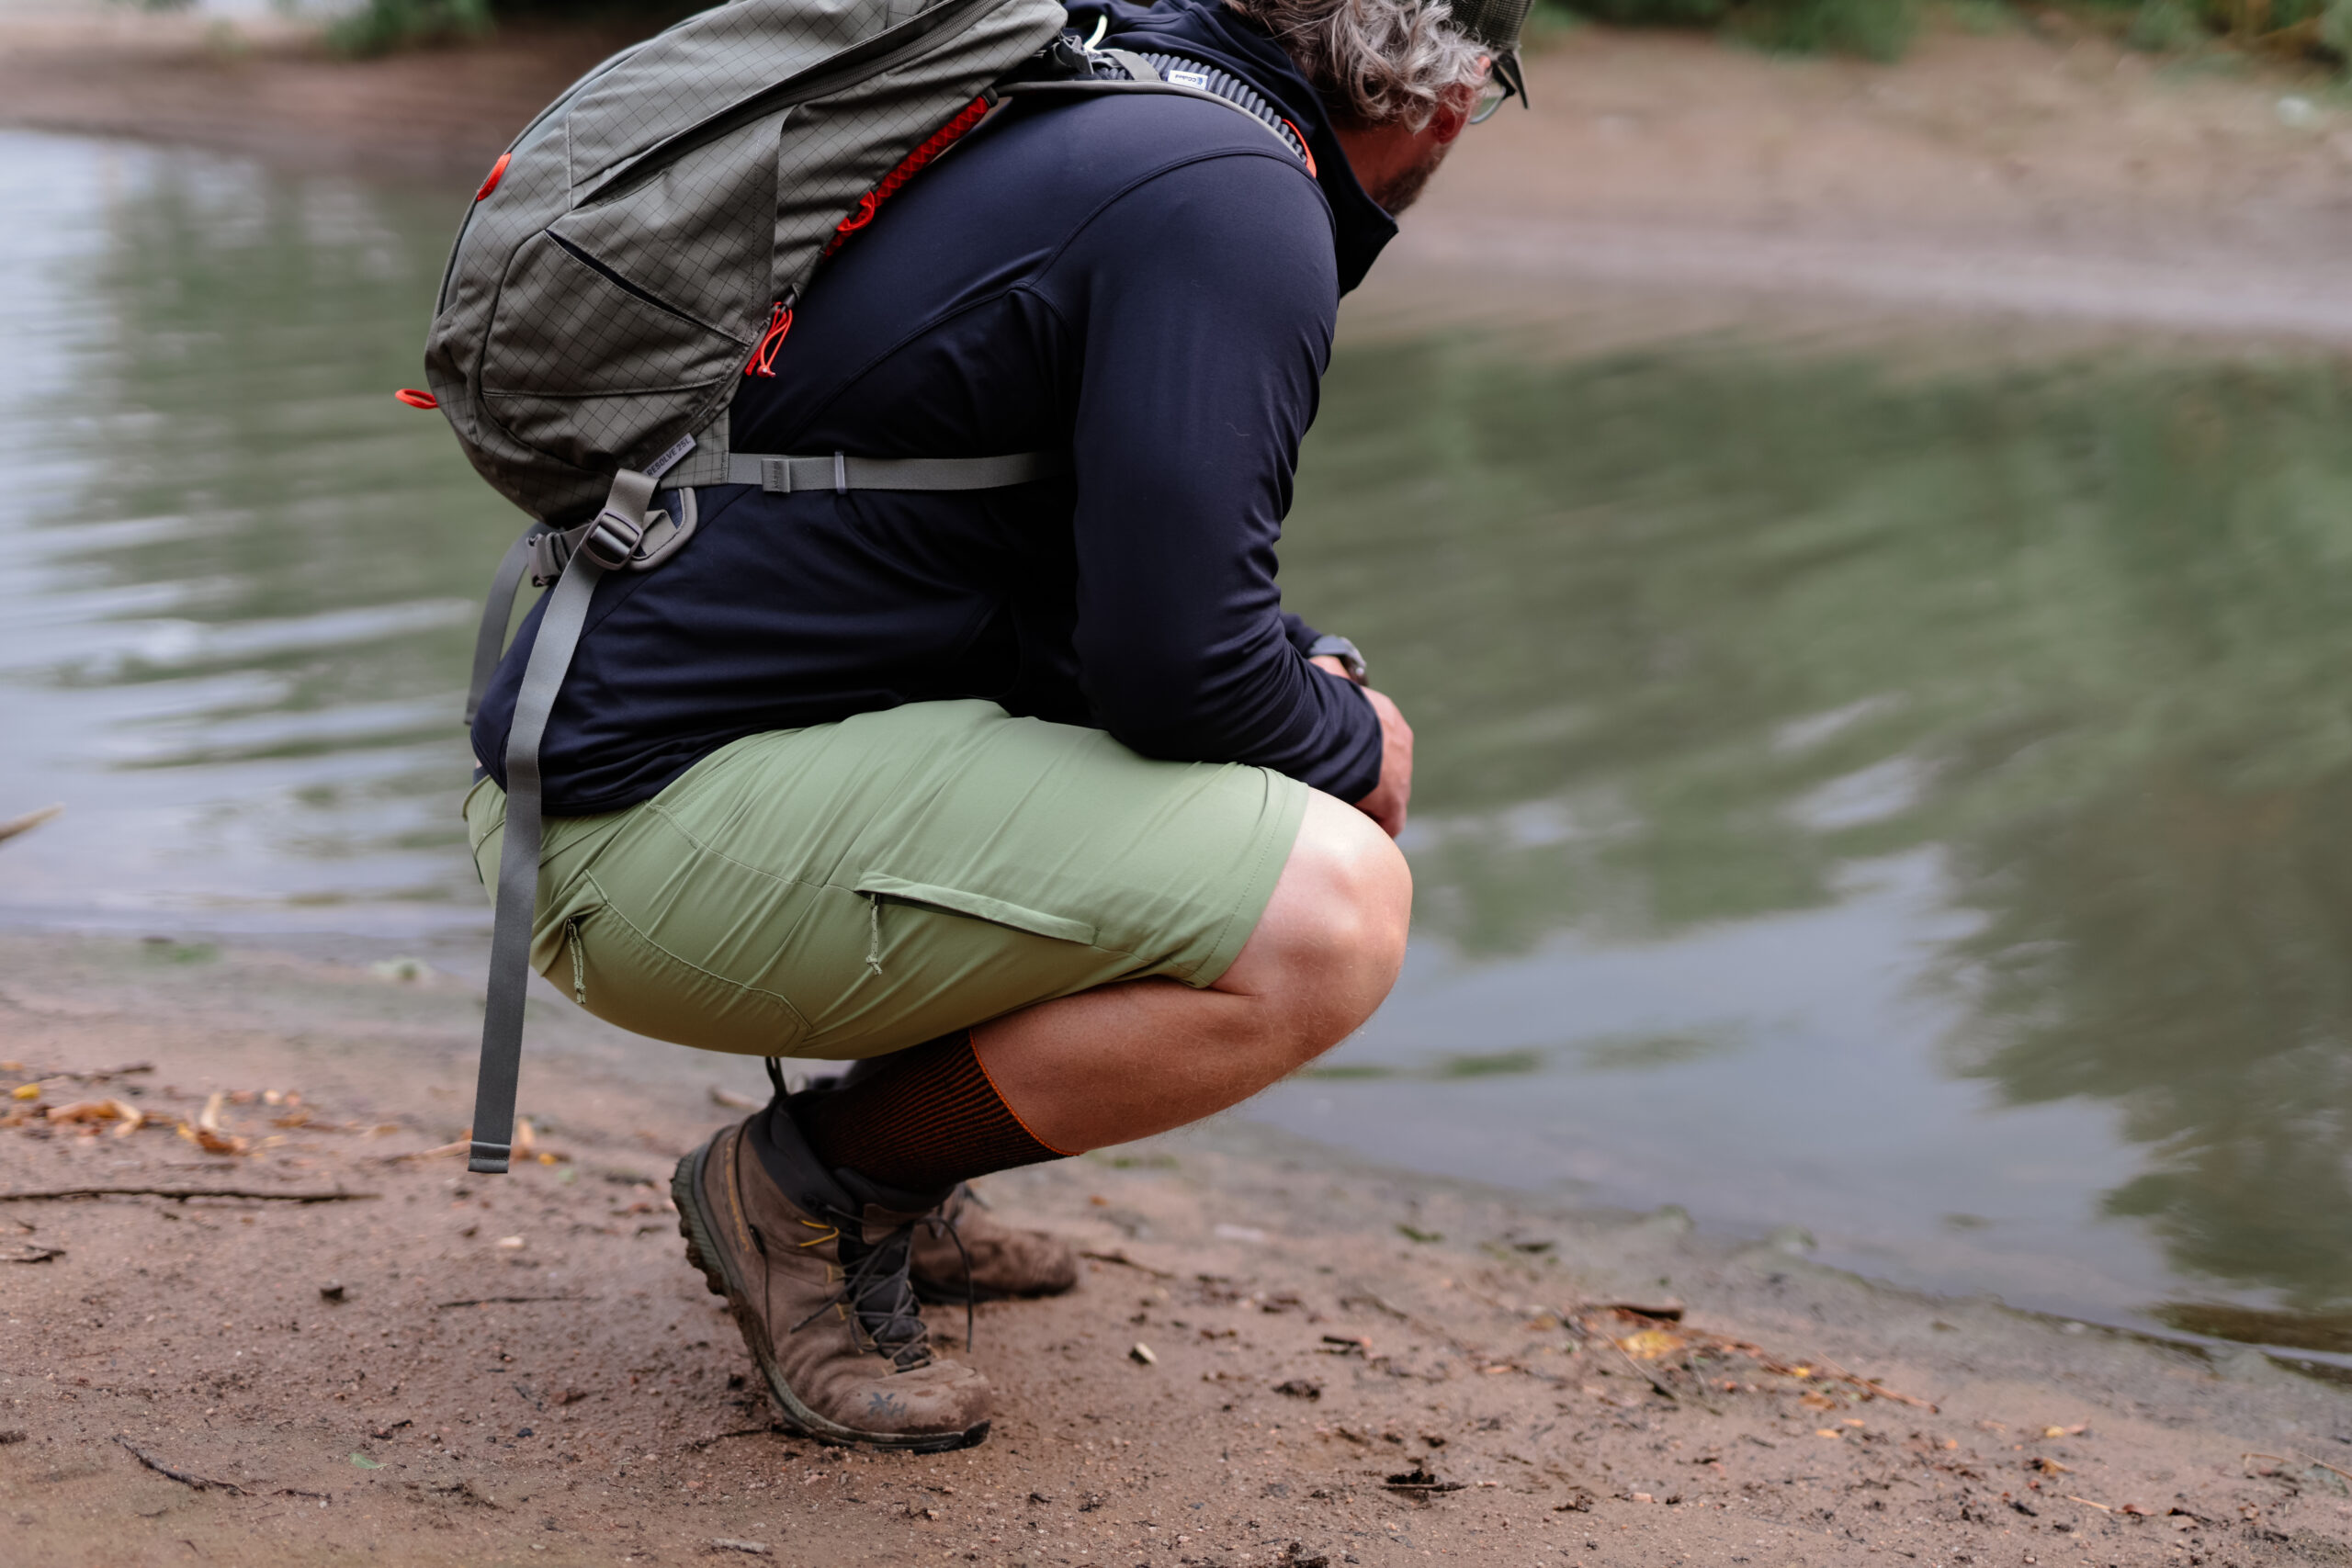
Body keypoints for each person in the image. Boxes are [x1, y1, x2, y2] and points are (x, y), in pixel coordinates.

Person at [463, 0, 1528, 1452]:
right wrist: (1361, 743)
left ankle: (900, 1168)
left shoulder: (1078, 104)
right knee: (1328, 914)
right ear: (1451, 101)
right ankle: (811, 1193)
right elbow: (1174, 672)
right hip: (645, 846)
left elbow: (1068, 581)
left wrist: (1307, 671)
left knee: (1252, 782)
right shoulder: (1235, 197)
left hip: (588, 777)